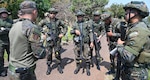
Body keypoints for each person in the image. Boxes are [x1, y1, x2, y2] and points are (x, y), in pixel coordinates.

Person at [8, 1, 46, 80]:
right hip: (24, 74)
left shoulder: (14, 25)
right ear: (34, 12)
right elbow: (39, 54)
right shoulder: (31, 28)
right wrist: (42, 40)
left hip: (12, 70)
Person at [117, 1, 150, 80]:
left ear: (135, 13)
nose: (125, 13)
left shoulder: (139, 31)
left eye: (127, 11)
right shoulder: (134, 27)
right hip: (130, 71)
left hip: (136, 74)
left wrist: (119, 45)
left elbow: (128, 57)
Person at [71, 11, 94, 76]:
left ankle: (87, 68)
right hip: (77, 43)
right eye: (78, 16)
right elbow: (70, 31)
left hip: (85, 42)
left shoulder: (87, 23)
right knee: (77, 55)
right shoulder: (75, 24)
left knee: (87, 55)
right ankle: (78, 66)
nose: (79, 18)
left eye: (81, 16)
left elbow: (90, 33)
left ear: (83, 17)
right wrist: (74, 31)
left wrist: (91, 42)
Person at [45, 8, 67, 75]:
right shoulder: (45, 21)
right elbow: (38, 27)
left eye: (54, 13)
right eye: (51, 13)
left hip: (57, 40)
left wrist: (62, 34)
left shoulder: (58, 21)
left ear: (55, 14)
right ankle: (49, 67)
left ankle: (59, 66)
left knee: (57, 53)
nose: (52, 14)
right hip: (49, 40)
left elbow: (65, 27)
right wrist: (43, 33)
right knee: (49, 54)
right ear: (49, 13)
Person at [0, 7, 12, 77]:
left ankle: (11, 68)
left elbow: (13, 29)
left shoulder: (10, 21)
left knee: (10, 55)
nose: (4, 15)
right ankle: (2, 70)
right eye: (3, 13)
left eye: (5, 13)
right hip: (1, 42)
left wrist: (6, 30)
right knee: (1, 56)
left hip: (9, 41)